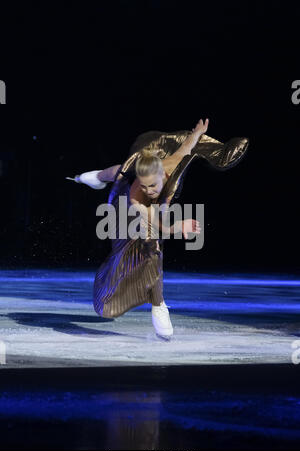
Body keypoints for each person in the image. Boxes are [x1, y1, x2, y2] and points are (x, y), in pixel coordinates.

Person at [67, 118, 249, 339]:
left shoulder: (171, 165)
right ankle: (95, 176)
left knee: (123, 177)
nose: (149, 190)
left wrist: (197, 133)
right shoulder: (137, 194)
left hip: (148, 196)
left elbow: (185, 147)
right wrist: (177, 227)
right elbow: (156, 223)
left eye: (152, 185)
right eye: (144, 186)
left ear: (163, 174)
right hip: (127, 210)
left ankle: (157, 303)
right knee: (145, 233)